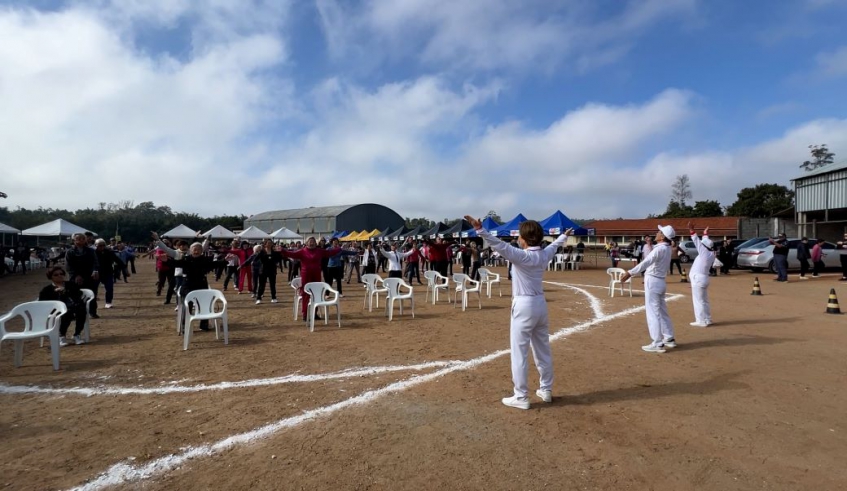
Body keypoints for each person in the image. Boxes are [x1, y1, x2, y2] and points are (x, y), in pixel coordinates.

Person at [466, 215, 572, 410]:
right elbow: (554, 246)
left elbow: (499, 245)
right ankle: (546, 389)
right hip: (540, 303)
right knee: (543, 349)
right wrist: (563, 236)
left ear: (523, 239)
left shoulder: (522, 255)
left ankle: (521, 396)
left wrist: (480, 230)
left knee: (519, 352)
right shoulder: (543, 253)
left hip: (524, 305)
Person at [620, 225, 677, 353]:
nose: (656, 233)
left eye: (659, 232)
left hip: (653, 281)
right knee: (662, 311)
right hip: (660, 281)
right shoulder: (667, 248)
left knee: (653, 312)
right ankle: (669, 338)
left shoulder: (659, 249)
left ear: (662, 236)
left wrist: (630, 272)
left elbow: (646, 262)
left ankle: (657, 343)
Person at [152, 231, 223, 331]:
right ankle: (185, 325)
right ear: (191, 249)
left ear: (201, 251)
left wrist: (226, 261)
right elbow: (176, 263)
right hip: (187, 284)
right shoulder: (185, 259)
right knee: (187, 303)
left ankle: (204, 324)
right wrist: (166, 260)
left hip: (201, 284)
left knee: (205, 303)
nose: (196, 251)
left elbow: (214, 264)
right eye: (194, 249)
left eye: (199, 250)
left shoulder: (204, 259)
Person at [279, 237, 344, 321]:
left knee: (316, 293)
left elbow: (329, 253)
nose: (312, 243)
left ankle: (314, 313)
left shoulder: (319, 251)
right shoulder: (302, 251)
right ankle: (305, 314)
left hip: (316, 275)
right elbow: (292, 254)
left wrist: (339, 249)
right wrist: (283, 251)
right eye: (310, 241)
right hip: (306, 275)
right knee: (306, 294)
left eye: (313, 241)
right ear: (306, 243)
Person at [38, 266, 89, 346]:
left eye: (61, 274)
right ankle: (62, 335)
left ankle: (77, 334)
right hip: (56, 310)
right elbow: (42, 303)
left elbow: (79, 294)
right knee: (66, 313)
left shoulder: (71, 284)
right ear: (50, 277)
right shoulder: (46, 290)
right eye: (56, 275)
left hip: (74, 306)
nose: (59, 276)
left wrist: (66, 291)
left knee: (81, 311)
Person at [65, 233, 100, 318]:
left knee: (92, 295)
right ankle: (75, 313)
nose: (81, 240)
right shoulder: (70, 252)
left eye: (82, 239)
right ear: (74, 240)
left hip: (89, 276)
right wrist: (76, 275)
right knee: (75, 296)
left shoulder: (91, 251)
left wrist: (95, 271)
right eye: (78, 239)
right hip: (75, 277)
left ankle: (92, 312)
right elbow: (68, 266)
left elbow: (95, 263)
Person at [687, 224, 715, 327]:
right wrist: (705, 233)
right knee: (704, 300)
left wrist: (692, 230)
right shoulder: (711, 253)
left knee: (698, 301)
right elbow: (704, 242)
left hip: (698, 279)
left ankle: (700, 321)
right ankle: (707, 319)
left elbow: (697, 242)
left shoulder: (704, 252)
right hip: (704, 278)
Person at [94, 239, 122, 309]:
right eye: (100, 246)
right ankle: (93, 303)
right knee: (94, 289)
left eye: (103, 245)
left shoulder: (109, 252)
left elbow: (117, 260)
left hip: (108, 272)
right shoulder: (92, 252)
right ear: (96, 245)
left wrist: (124, 268)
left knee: (109, 288)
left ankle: (108, 302)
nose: (102, 247)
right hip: (96, 273)